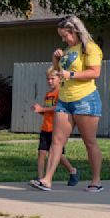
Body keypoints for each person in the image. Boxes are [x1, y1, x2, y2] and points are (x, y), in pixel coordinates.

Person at [30, 15, 103, 192]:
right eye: (61, 36)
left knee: (89, 141)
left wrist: (71, 75)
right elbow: (57, 72)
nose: (63, 39)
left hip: (85, 100)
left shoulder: (90, 48)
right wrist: (56, 60)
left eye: (65, 35)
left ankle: (96, 181)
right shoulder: (69, 50)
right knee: (57, 141)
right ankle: (47, 180)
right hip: (64, 100)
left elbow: (94, 72)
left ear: (74, 31)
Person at [31, 66, 78, 184]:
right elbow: (48, 112)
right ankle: (40, 178)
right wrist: (40, 111)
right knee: (41, 152)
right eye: (48, 79)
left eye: (52, 78)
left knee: (58, 156)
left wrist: (43, 108)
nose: (49, 81)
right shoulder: (48, 94)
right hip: (45, 128)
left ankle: (72, 171)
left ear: (60, 78)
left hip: (56, 129)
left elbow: (58, 108)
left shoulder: (61, 93)